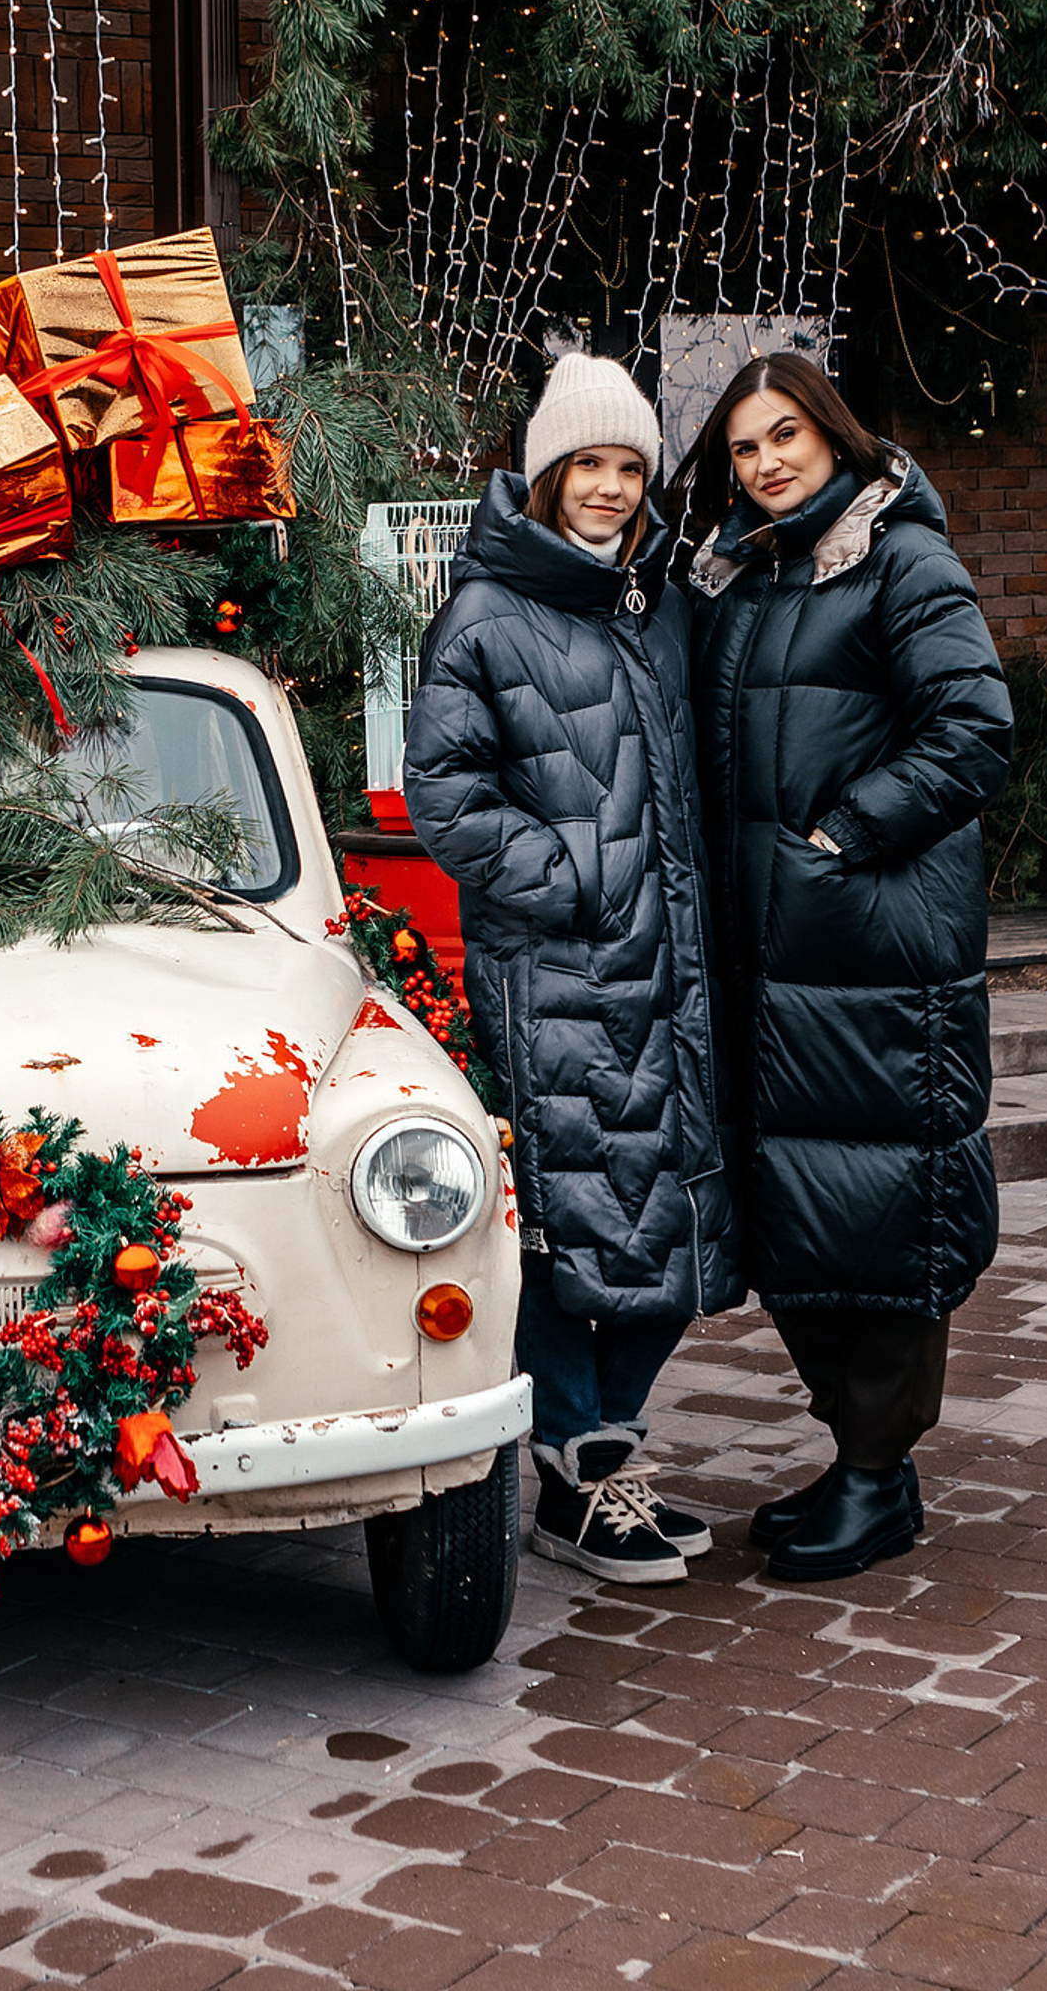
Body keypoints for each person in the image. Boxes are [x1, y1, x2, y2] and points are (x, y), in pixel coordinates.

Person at [403, 353, 739, 1584]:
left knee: (668, 1228)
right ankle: (578, 1469)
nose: (608, 487)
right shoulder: (489, 610)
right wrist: (578, 881)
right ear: (545, 474)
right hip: (559, 971)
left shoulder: (654, 601)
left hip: (675, 970)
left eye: (628, 466)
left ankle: (608, 1455)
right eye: (586, 464)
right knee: (572, 1224)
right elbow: (445, 793)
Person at [676, 352, 1011, 1582]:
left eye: (784, 437)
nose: (764, 462)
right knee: (805, 1213)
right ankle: (862, 1463)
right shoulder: (740, 575)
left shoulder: (899, 559)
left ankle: (880, 1474)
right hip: (771, 962)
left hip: (872, 954)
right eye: (743, 447)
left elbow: (973, 730)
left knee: (878, 1211)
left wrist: (842, 836)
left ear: (834, 436)